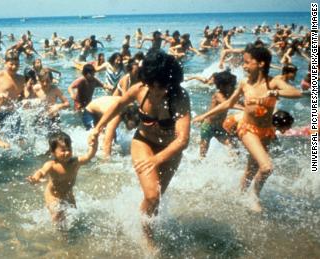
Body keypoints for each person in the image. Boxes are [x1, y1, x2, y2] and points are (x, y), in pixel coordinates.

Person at [89, 50, 190, 247]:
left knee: (156, 198)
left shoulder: (179, 96)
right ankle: (148, 240)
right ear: (147, 80)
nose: (156, 91)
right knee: (152, 194)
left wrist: (156, 160)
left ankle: (148, 224)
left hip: (170, 150)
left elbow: (183, 140)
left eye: (162, 87)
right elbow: (118, 105)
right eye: (152, 86)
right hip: (143, 142)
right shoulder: (139, 89)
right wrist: (98, 128)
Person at [193, 44, 302, 212]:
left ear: (261, 64)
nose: (243, 65)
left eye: (247, 62)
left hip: (265, 131)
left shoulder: (273, 82)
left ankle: (240, 194)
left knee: (251, 170)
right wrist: (204, 115)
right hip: (246, 129)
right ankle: (254, 197)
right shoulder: (245, 83)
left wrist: (275, 93)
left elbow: (296, 93)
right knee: (266, 167)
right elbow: (228, 104)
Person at [27, 131, 97, 227]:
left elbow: (89, 156)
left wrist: (93, 146)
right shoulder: (51, 165)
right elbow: (41, 171)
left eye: (69, 149)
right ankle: (62, 238)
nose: (67, 152)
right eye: (63, 150)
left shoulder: (75, 162)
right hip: (53, 195)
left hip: (68, 194)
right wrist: (35, 178)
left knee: (75, 217)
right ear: (53, 152)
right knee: (57, 216)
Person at [197, 70, 242, 158]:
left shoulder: (229, 94)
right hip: (207, 127)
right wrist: (244, 108)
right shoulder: (218, 95)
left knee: (231, 145)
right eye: (231, 85)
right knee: (203, 153)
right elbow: (227, 104)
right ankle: (199, 164)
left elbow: (237, 101)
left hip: (219, 127)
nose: (233, 87)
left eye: (233, 85)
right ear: (222, 86)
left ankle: (234, 163)